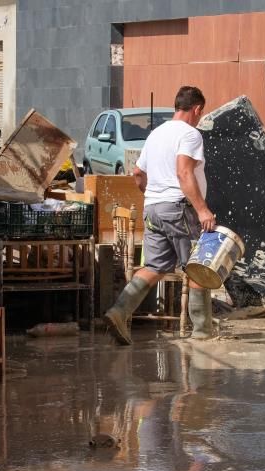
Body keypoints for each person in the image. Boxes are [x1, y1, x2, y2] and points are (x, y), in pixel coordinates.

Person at [103, 85, 216, 345]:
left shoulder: (155, 134)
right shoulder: (190, 134)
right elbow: (184, 173)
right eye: (201, 112)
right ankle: (202, 333)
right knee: (198, 267)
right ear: (197, 109)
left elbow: (138, 174)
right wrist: (202, 209)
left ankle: (119, 312)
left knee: (155, 266)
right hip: (179, 208)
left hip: (153, 208)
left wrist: (153, 195)